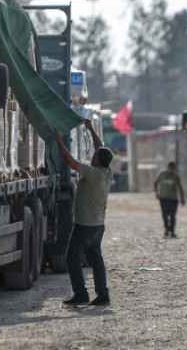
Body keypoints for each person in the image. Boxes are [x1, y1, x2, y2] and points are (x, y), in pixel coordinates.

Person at [56, 120, 113, 306]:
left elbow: (70, 161)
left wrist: (58, 140)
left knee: (72, 258)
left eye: (95, 156)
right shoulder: (106, 172)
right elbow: (101, 148)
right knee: (96, 258)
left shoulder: (92, 172)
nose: (92, 156)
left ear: (97, 160)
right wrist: (91, 129)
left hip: (85, 225)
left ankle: (81, 294)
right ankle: (102, 294)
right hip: (98, 225)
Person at [154, 162, 185, 238]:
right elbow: (155, 183)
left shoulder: (175, 176)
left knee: (172, 216)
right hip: (163, 198)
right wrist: (156, 192)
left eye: (173, 169)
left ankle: (172, 231)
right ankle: (166, 230)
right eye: (170, 168)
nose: (171, 170)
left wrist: (182, 198)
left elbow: (180, 187)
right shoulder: (162, 175)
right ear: (168, 167)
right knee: (165, 215)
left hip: (173, 199)